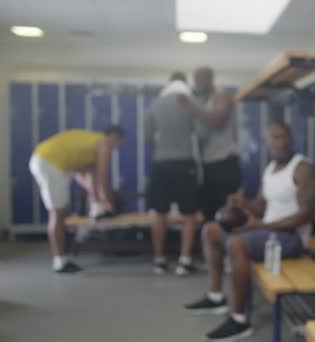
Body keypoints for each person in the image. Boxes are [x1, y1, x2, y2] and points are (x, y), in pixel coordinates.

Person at [184, 120, 315, 341]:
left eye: (283, 136)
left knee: (237, 243)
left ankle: (240, 320)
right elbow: (263, 205)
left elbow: (305, 215)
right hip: (267, 233)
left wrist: (259, 226)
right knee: (210, 230)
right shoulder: (270, 169)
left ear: (291, 138)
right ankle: (216, 295)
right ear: (265, 142)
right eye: (274, 138)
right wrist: (243, 204)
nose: (281, 142)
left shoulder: (303, 168)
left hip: (292, 239)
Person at [29, 126, 124, 273]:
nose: (117, 147)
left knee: (60, 212)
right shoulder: (103, 144)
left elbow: (87, 179)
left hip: (44, 159)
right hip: (50, 162)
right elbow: (102, 179)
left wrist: (98, 203)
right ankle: (59, 262)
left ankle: (95, 210)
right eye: (118, 143)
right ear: (114, 137)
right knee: (57, 214)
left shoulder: (88, 144)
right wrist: (109, 204)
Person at [145, 72, 199, 276]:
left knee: (159, 213)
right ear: (185, 83)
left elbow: (147, 137)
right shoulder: (189, 102)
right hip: (185, 162)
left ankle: (159, 260)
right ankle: (184, 261)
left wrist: (163, 145)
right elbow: (200, 133)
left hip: (161, 163)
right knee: (189, 214)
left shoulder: (155, 104)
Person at [177, 67, 241, 222]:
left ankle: (231, 244)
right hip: (209, 164)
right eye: (195, 79)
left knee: (229, 214)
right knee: (209, 212)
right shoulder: (202, 102)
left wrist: (190, 106)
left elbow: (218, 121)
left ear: (210, 79)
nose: (197, 83)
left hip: (225, 163)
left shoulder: (221, 95)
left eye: (200, 79)